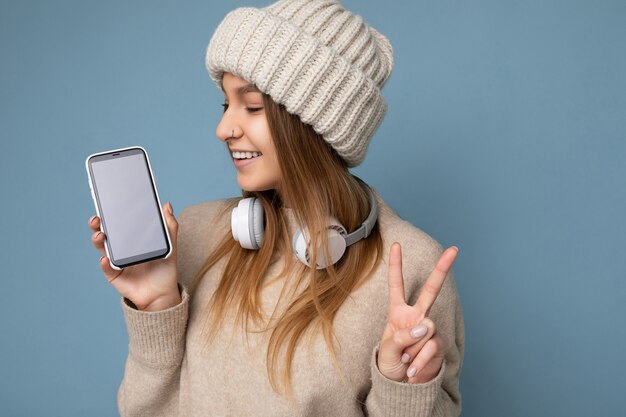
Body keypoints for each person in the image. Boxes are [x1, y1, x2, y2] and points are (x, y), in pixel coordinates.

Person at [87, 0, 464, 415]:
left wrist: (400, 389)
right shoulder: (196, 235)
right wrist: (158, 307)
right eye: (225, 105)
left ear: (314, 124)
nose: (224, 129)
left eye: (251, 107)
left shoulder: (410, 264)